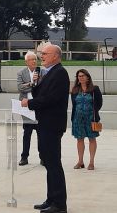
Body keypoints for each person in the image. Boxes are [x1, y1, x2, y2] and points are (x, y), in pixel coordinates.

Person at [21, 43, 69, 213]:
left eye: (45, 54)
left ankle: (59, 204)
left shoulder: (60, 73)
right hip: (44, 123)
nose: (42, 56)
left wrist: (30, 103)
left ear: (56, 56)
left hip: (52, 124)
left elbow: (51, 99)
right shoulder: (48, 73)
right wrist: (35, 83)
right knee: (48, 163)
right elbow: (40, 94)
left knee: (54, 164)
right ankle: (51, 198)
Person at [71, 69, 102, 171]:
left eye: (83, 76)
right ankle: (80, 161)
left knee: (92, 139)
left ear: (88, 77)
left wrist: (91, 113)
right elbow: (74, 105)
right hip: (78, 119)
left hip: (91, 119)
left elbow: (99, 103)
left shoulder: (94, 89)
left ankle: (91, 162)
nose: (81, 77)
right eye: (79, 76)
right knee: (79, 139)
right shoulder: (75, 90)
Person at [17, 51, 41, 166]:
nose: (34, 61)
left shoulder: (41, 72)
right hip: (26, 107)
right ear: (26, 61)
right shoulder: (21, 73)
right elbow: (20, 88)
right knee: (27, 133)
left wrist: (30, 86)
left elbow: (42, 88)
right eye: (32, 59)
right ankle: (24, 157)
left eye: (35, 59)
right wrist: (32, 84)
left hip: (38, 106)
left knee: (41, 133)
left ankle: (43, 157)